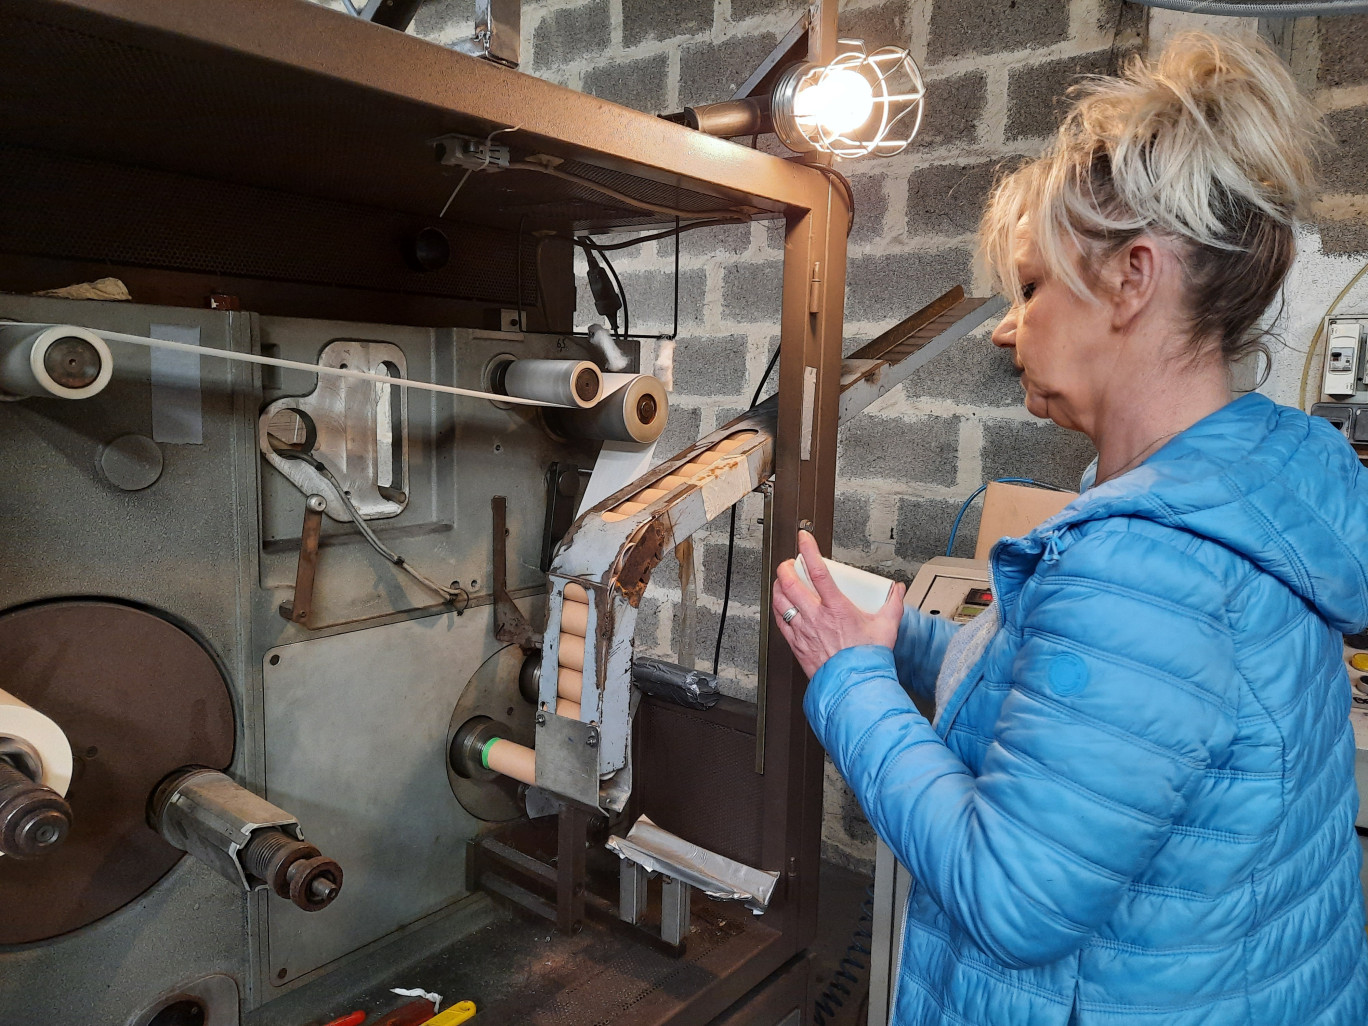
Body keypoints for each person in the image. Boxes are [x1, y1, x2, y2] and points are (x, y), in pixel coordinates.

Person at [772, 31, 1368, 1026]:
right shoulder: (1242, 496)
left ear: (1134, 280)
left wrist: (849, 682)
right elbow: (1074, 709)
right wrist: (903, 641)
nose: (1009, 328)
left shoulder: (1150, 562)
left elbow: (1015, 898)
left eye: (1036, 287)